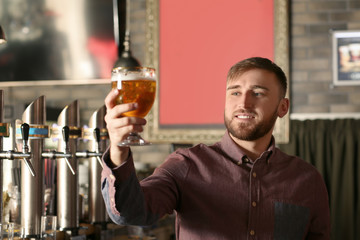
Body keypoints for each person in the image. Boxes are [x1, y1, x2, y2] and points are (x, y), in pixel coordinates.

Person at [101, 57, 331, 239]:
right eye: (235, 92)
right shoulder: (186, 165)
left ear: (283, 107)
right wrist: (118, 149)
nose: (244, 103)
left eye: (258, 93)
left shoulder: (307, 180)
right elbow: (130, 212)